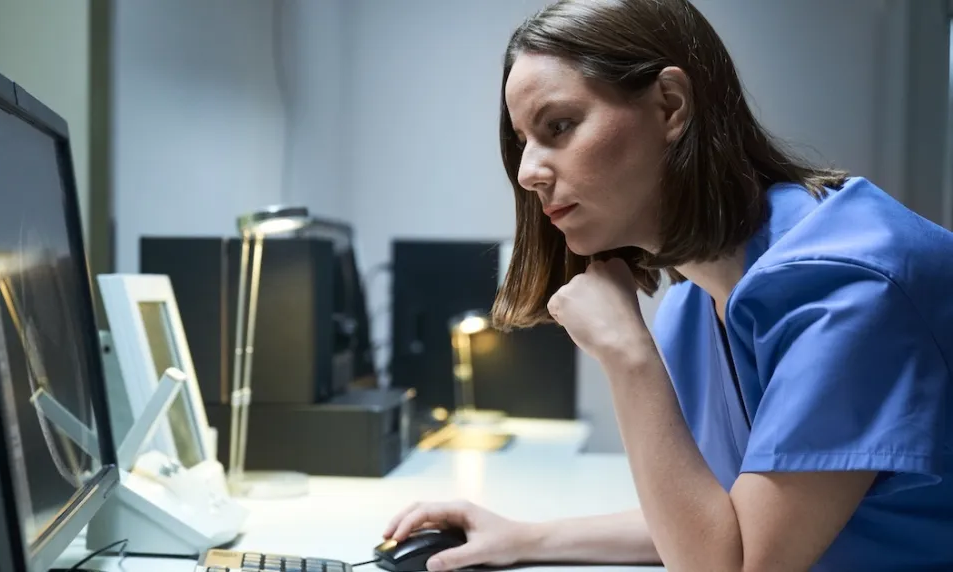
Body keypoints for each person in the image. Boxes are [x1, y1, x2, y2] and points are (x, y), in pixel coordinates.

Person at [382, 1, 953, 571]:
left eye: (559, 125)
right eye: (525, 140)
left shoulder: (845, 287)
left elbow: (733, 566)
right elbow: (723, 525)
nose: (528, 170)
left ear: (670, 106)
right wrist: (524, 539)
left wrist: (628, 356)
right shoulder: (691, 306)